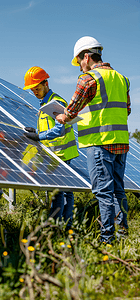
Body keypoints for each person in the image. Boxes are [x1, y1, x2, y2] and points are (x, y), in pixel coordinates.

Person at [55, 36, 131, 243]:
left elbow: (71, 111)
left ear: (86, 57)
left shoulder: (88, 78)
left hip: (99, 143)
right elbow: (127, 110)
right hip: (121, 142)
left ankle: (107, 239)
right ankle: (123, 235)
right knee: (117, 190)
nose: (80, 67)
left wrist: (61, 116)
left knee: (103, 193)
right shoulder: (122, 79)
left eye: (79, 62)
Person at [23, 66, 79, 226]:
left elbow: (60, 130)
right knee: (63, 192)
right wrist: (37, 131)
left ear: (46, 83)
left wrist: (39, 136)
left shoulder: (56, 103)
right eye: (33, 90)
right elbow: (49, 127)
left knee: (59, 192)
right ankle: (65, 225)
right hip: (54, 155)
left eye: (37, 88)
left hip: (61, 155)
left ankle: (59, 226)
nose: (35, 92)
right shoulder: (45, 104)